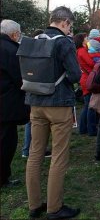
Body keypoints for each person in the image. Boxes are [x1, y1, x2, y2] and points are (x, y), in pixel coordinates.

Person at [24, 6, 82, 219]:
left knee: (35, 154)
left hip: (35, 102)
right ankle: (54, 208)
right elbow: (75, 75)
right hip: (58, 104)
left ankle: (34, 205)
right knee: (59, 156)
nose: (70, 30)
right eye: (70, 26)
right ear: (65, 22)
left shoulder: (35, 38)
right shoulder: (63, 42)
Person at [0, 20, 29, 187]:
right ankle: (3, 177)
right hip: (6, 104)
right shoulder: (11, 50)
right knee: (6, 141)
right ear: (14, 34)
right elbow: (19, 78)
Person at [22, 29, 52, 159]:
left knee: (32, 122)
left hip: (29, 89)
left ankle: (27, 149)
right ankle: (30, 149)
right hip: (38, 90)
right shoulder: (41, 52)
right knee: (33, 123)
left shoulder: (27, 51)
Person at [77, 30, 100, 136]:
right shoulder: (82, 51)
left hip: (87, 78)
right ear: (82, 40)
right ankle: (91, 129)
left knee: (87, 105)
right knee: (90, 106)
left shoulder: (83, 50)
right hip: (88, 79)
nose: (88, 40)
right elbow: (90, 62)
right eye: (86, 38)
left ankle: (83, 129)